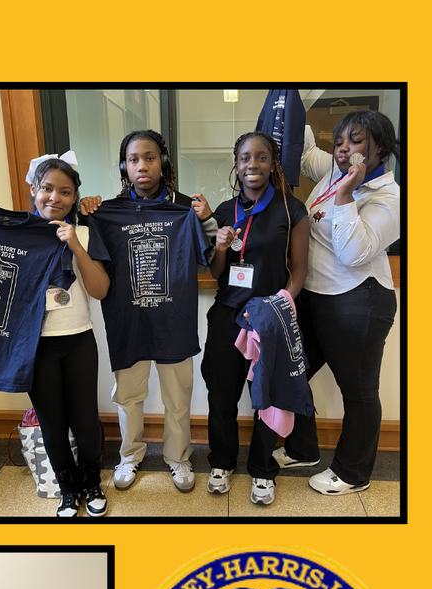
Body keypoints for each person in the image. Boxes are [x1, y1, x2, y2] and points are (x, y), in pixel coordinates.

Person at [274, 111, 400, 494]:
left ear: (379, 147)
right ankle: (303, 447)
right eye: (341, 141)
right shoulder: (333, 166)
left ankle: (353, 473)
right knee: (290, 371)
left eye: (356, 142)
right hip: (317, 297)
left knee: (358, 392)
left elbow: (353, 253)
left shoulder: (389, 197)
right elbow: (304, 147)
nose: (344, 150)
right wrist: (288, 100)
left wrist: (345, 194)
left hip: (359, 302)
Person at [82, 130, 214, 494]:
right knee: (128, 396)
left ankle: (178, 456)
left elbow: (208, 261)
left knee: (178, 397)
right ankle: (130, 455)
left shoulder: (186, 209)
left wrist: (206, 218)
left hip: (173, 322)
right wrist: (85, 208)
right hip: (130, 323)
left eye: (150, 157)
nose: (142, 165)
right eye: (134, 158)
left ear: (163, 161)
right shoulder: (105, 213)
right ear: (124, 165)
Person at [204, 131, 309, 506]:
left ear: (272, 164)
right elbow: (217, 272)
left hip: (269, 317)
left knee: (268, 398)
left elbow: (298, 270)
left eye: (261, 157)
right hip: (228, 315)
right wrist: (219, 246)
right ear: (236, 164)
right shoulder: (222, 211)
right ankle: (221, 462)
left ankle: (263, 470)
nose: (253, 165)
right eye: (246, 158)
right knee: (221, 395)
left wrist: (281, 301)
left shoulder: (291, 209)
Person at [26, 157, 111, 518]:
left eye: (65, 192)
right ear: (34, 190)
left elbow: (101, 289)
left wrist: (76, 244)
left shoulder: (88, 234)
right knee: (52, 424)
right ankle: (67, 488)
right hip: (35, 347)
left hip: (78, 340)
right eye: (47, 189)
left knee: (85, 420)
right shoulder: (21, 239)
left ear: (76, 197)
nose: (54, 197)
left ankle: (92, 481)